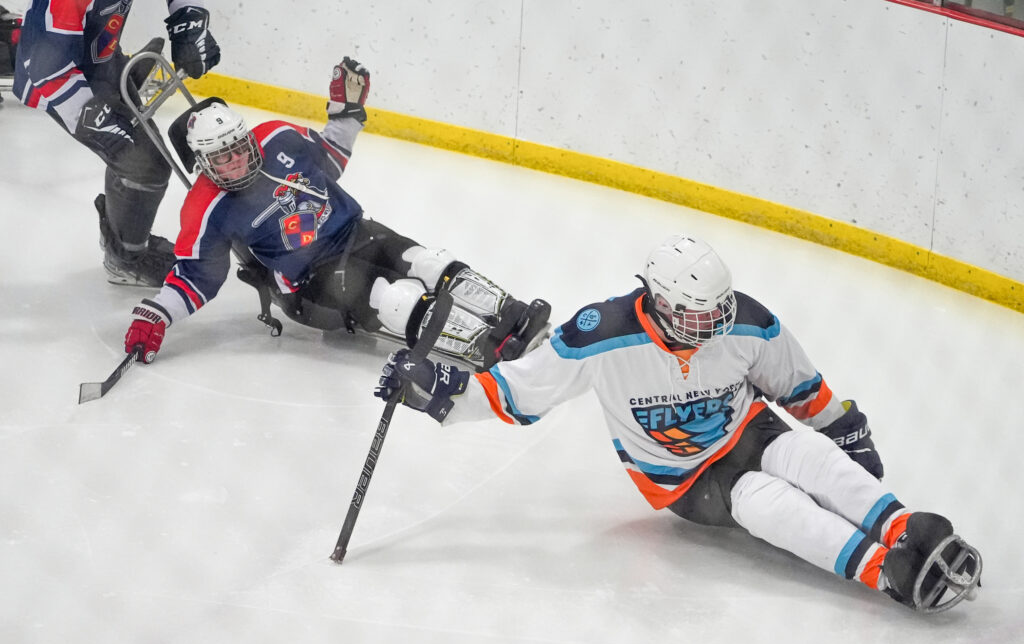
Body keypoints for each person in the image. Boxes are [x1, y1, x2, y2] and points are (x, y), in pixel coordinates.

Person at [376, 234, 983, 613]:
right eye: (700, 313)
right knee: (763, 501)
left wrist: (842, 429)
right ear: (660, 301)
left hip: (749, 430)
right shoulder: (601, 336)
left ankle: (905, 525)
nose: (716, 323)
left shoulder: (744, 322)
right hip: (685, 481)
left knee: (810, 457)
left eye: (720, 308)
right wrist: (439, 390)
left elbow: (797, 384)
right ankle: (883, 571)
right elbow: (518, 391)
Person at [120, 58, 551, 372]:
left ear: (247, 137)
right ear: (203, 162)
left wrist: (346, 113)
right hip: (310, 282)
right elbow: (196, 276)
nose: (236, 161)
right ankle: (487, 346)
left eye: (239, 148)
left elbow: (328, 159)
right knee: (394, 297)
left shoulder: (277, 136)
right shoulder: (204, 207)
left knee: (429, 262)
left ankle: (514, 314)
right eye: (222, 158)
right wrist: (158, 314)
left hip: (356, 231)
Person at [12, 0, 220, 286]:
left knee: (136, 156)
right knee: (145, 166)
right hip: (60, 79)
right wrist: (94, 121)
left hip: (101, 58)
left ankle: (122, 231)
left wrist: (189, 19)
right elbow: (47, 67)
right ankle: (125, 258)